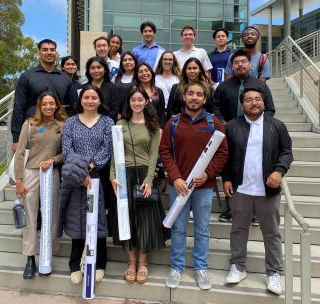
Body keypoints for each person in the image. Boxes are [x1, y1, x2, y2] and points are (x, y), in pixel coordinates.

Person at [222, 87, 293, 295]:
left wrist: (279, 172)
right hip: (240, 189)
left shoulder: (277, 126)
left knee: (271, 233)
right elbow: (225, 155)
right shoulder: (233, 126)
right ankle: (238, 266)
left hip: (267, 191)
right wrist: (226, 178)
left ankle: (273, 273)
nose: (254, 103)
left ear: (264, 103)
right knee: (238, 230)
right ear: (242, 104)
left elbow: (287, 152)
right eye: (249, 100)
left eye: (258, 99)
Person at [160, 81, 228, 290]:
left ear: (205, 99)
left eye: (199, 94)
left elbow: (222, 153)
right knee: (179, 227)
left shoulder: (213, 123)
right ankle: (177, 267)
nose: (195, 97)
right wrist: (176, 177)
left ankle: (200, 267)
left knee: (202, 228)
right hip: (178, 186)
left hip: (204, 187)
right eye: (191, 93)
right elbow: (165, 152)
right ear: (184, 96)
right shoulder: (173, 122)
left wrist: (208, 174)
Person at [110, 86, 169, 284]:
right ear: (129, 102)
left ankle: (143, 263)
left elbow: (154, 155)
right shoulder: (120, 123)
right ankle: (131, 262)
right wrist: (112, 176)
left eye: (140, 100)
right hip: (123, 175)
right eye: (133, 100)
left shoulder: (153, 125)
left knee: (144, 221)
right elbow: (114, 152)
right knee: (127, 219)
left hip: (144, 175)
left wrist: (149, 180)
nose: (136, 103)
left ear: (146, 102)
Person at [58, 85, 114, 284]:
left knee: (97, 219)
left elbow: (107, 150)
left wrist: (88, 168)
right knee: (77, 218)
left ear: (99, 100)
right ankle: (74, 264)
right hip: (75, 180)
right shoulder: (71, 122)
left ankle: (99, 263)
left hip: (97, 179)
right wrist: (80, 174)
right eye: (86, 97)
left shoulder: (107, 122)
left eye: (94, 97)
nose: (90, 101)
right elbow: (66, 150)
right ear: (80, 100)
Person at [213, 49, 275, 223]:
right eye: (236, 62)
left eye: (243, 61)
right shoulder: (223, 86)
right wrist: (225, 124)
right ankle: (230, 208)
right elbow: (215, 107)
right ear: (231, 66)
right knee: (229, 169)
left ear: (250, 64)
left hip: (255, 135)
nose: (240, 64)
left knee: (253, 169)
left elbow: (270, 109)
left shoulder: (260, 86)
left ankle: (254, 212)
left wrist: (260, 126)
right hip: (230, 135)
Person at [14, 91, 67, 279]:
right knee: (31, 217)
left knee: (51, 216)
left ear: (56, 105)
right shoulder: (30, 125)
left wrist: (53, 159)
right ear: (40, 105)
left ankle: (47, 256)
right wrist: (19, 181)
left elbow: (65, 153)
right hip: (31, 173)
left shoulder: (62, 125)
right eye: (44, 104)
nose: (48, 107)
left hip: (51, 174)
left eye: (51, 103)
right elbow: (20, 153)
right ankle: (30, 258)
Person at [12, 39, 73, 152]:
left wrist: (67, 127)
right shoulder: (27, 77)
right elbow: (18, 107)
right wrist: (16, 138)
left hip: (58, 133)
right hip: (34, 131)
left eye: (52, 50)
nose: (49, 52)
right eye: (45, 50)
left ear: (56, 53)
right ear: (38, 53)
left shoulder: (65, 78)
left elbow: (72, 107)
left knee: (57, 165)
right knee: (31, 166)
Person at [83, 56, 119, 121]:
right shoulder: (83, 88)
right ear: (88, 70)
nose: (96, 71)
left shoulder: (113, 88)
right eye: (92, 68)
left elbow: (115, 110)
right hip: (85, 123)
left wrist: (100, 123)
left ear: (105, 70)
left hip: (106, 125)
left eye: (99, 67)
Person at [134, 62, 165, 129]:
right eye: (140, 72)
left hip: (155, 127)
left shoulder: (159, 92)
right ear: (137, 75)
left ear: (151, 73)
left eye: (146, 70)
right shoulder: (133, 91)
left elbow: (162, 114)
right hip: (137, 127)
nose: (144, 73)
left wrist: (160, 129)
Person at [114, 52, 138, 117]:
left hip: (134, 114)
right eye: (125, 60)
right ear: (121, 63)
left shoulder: (139, 77)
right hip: (118, 114)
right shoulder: (117, 77)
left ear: (135, 61)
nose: (127, 62)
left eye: (130, 59)